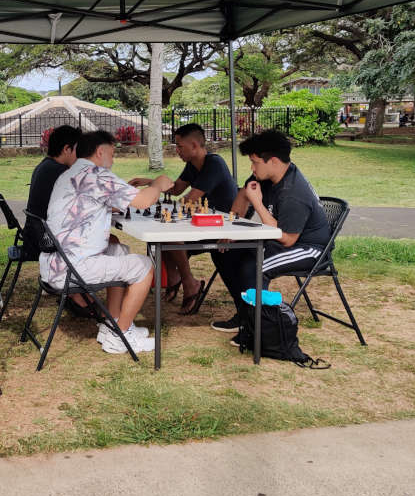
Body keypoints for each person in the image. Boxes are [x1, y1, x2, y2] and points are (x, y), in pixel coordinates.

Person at [41, 130, 174, 354]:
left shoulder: (71, 173)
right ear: (100, 151)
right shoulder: (96, 174)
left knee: (119, 250)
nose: (113, 161)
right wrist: (157, 184)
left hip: (55, 263)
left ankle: (112, 323)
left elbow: (96, 203)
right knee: (145, 267)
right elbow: (142, 201)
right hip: (72, 268)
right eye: (112, 155)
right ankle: (120, 335)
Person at [209, 130, 330, 343]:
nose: (252, 168)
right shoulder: (266, 176)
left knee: (255, 267)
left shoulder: (294, 192)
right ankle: (244, 315)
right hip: (280, 238)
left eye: (255, 163)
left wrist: (256, 202)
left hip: (307, 248)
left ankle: (256, 329)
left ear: (273, 161)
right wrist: (233, 229)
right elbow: (242, 196)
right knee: (225, 253)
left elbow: (287, 238)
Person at [129, 123, 238, 315]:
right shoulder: (192, 164)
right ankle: (174, 279)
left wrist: (155, 197)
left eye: (180, 146)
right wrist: (150, 182)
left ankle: (190, 283)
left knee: (170, 234)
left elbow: (189, 199)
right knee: (164, 235)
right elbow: (177, 188)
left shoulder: (214, 163)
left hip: (222, 227)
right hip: (202, 222)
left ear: (194, 145)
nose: (176, 150)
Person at [21, 125, 91, 316]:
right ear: (67, 149)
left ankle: (78, 293)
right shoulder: (59, 172)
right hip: (45, 242)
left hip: (36, 236)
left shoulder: (46, 166)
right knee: (105, 241)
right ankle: (78, 296)